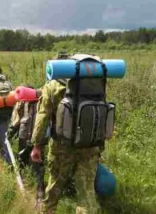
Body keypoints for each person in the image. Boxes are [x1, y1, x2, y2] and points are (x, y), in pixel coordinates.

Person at [31, 53, 103, 214]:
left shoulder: (52, 86)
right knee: (87, 192)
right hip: (89, 146)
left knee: (54, 187)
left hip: (61, 146)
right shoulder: (93, 83)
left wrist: (36, 146)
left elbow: (42, 118)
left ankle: (47, 211)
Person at [6, 87, 45, 208]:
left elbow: (18, 121)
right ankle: (26, 188)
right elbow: (18, 120)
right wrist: (11, 131)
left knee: (36, 167)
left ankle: (39, 197)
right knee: (24, 164)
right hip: (26, 138)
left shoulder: (42, 102)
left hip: (36, 140)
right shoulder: (24, 103)